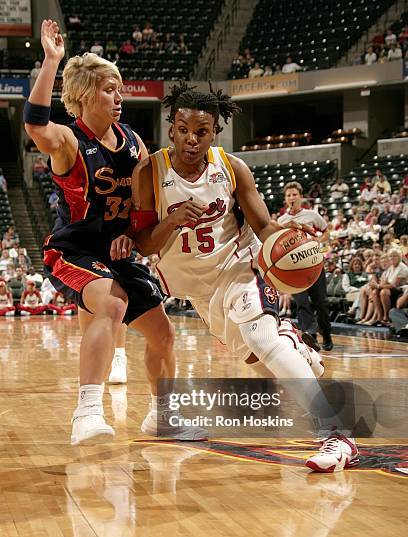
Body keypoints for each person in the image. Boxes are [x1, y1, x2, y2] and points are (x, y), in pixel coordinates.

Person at [130, 81, 358, 473]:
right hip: (199, 292)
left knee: (260, 336)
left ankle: (337, 434)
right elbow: (145, 244)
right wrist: (170, 221)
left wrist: (291, 241)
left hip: (240, 267)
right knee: (255, 357)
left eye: (201, 131)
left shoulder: (232, 169)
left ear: (214, 132)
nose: (191, 139)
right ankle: (295, 345)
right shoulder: (150, 171)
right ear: (172, 129)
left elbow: (263, 225)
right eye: (183, 129)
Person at [24, 20, 192, 446]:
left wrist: (135, 239)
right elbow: (35, 125)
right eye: (109, 89)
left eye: (119, 88)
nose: (119, 97)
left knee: (163, 332)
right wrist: (52, 61)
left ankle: (162, 417)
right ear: (84, 96)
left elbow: (140, 210)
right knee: (112, 305)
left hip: (118, 252)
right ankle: (88, 412)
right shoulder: (69, 141)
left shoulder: (135, 144)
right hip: (74, 249)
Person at [278, 182, 333, 351]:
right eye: (288, 195)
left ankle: (326, 332)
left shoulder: (312, 215)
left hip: (314, 264)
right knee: (301, 303)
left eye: (294, 194)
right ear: (285, 199)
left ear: (300, 196)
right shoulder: (282, 221)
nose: (291, 198)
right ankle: (310, 334)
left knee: (321, 303)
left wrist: (318, 240)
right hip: (294, 268)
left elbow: (327, 230)